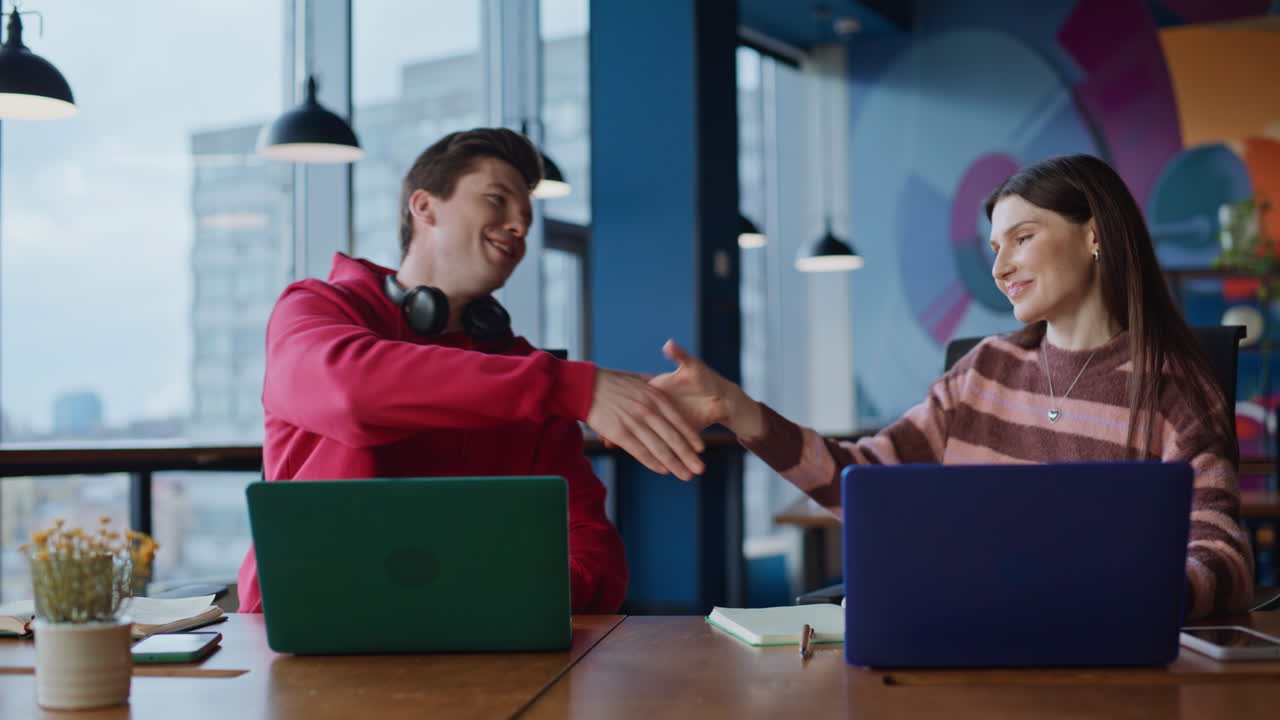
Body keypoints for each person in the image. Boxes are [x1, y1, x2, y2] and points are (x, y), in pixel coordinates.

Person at [651, 153, 1254, 620]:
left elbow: (1223, 558)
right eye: (995, 249)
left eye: (1022, 238)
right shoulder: (982, 372)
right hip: (962, 642)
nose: (999, 268)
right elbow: (861, 481)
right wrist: (737, 409)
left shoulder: (1172, 390)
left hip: (1098, 664)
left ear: (1095, 235)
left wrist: (1127, 597)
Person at [237, 128, 706, 614]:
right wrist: (572, 386)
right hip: (303, 638)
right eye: (496, 200)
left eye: (525, 216)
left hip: (473, 649)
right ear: (425, 207)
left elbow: (590, 546)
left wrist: (502, 593)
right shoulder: (316, 309)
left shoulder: (530, 376)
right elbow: (348, 392)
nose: (518, 226)